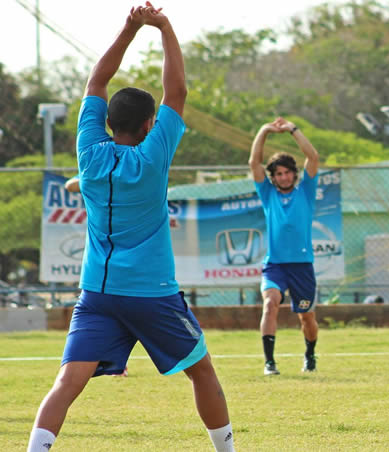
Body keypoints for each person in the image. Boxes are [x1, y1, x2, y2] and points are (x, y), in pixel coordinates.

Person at [27, 4, 234, 451]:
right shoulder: (154, 155)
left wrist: (127, 28)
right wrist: (163, 26)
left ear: (106, 122)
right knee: (202, 371)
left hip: (97, 293)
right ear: (148, 125)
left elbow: (96, 82)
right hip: (152, 293)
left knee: (68, 381)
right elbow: (176, 92)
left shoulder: (90, 151)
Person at [249, 116, 320, 375]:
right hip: (275, 264)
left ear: (294, 173)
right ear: (274, 177)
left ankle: (310, 354)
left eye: (287, 172)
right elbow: (253, 162)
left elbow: (312, 157)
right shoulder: (268, 194)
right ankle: (270, 362)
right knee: (270, 304)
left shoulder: (305, 191)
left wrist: (292, 130)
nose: (284, 176)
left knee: (307, 318)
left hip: (302, 266)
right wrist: (263, 131)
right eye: (278, 173)